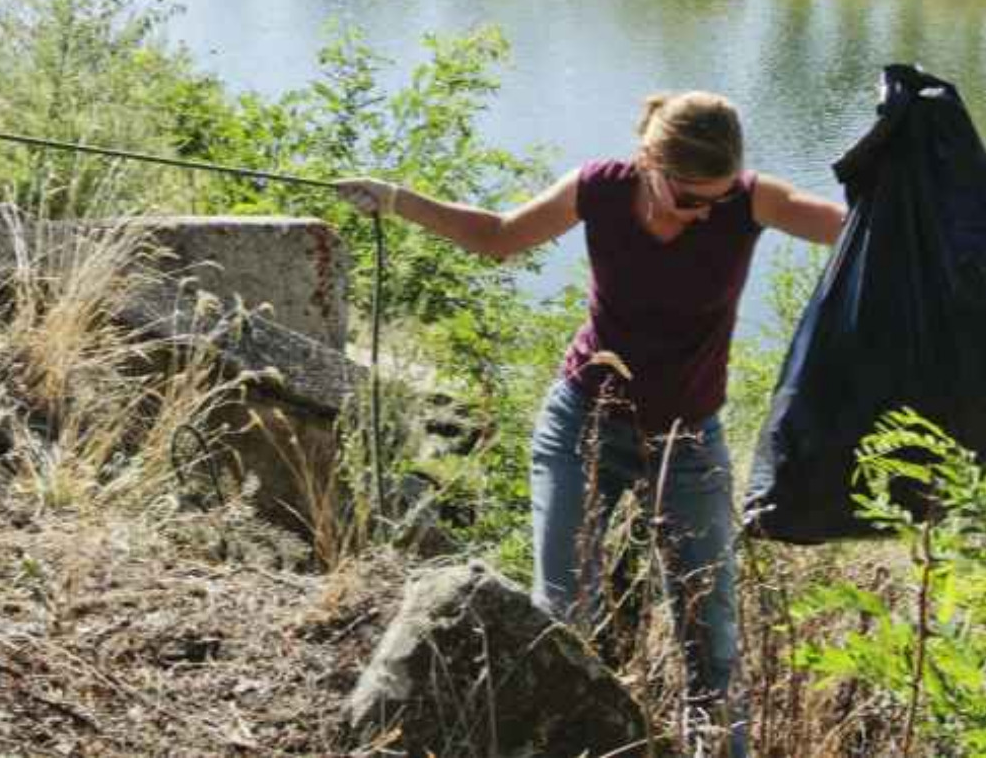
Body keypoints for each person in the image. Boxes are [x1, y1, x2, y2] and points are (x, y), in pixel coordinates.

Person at [338, 90, 845, 756]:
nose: (704, 214)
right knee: (564, 614)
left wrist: (914, 167)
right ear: (647, 162)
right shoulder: (598, 189)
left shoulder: (753, 201)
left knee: (710, 638)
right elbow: (498, 237)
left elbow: (860, 229)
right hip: (581, 425)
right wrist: (397, 197)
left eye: (716, 199)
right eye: (690, 198)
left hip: (687, 443)